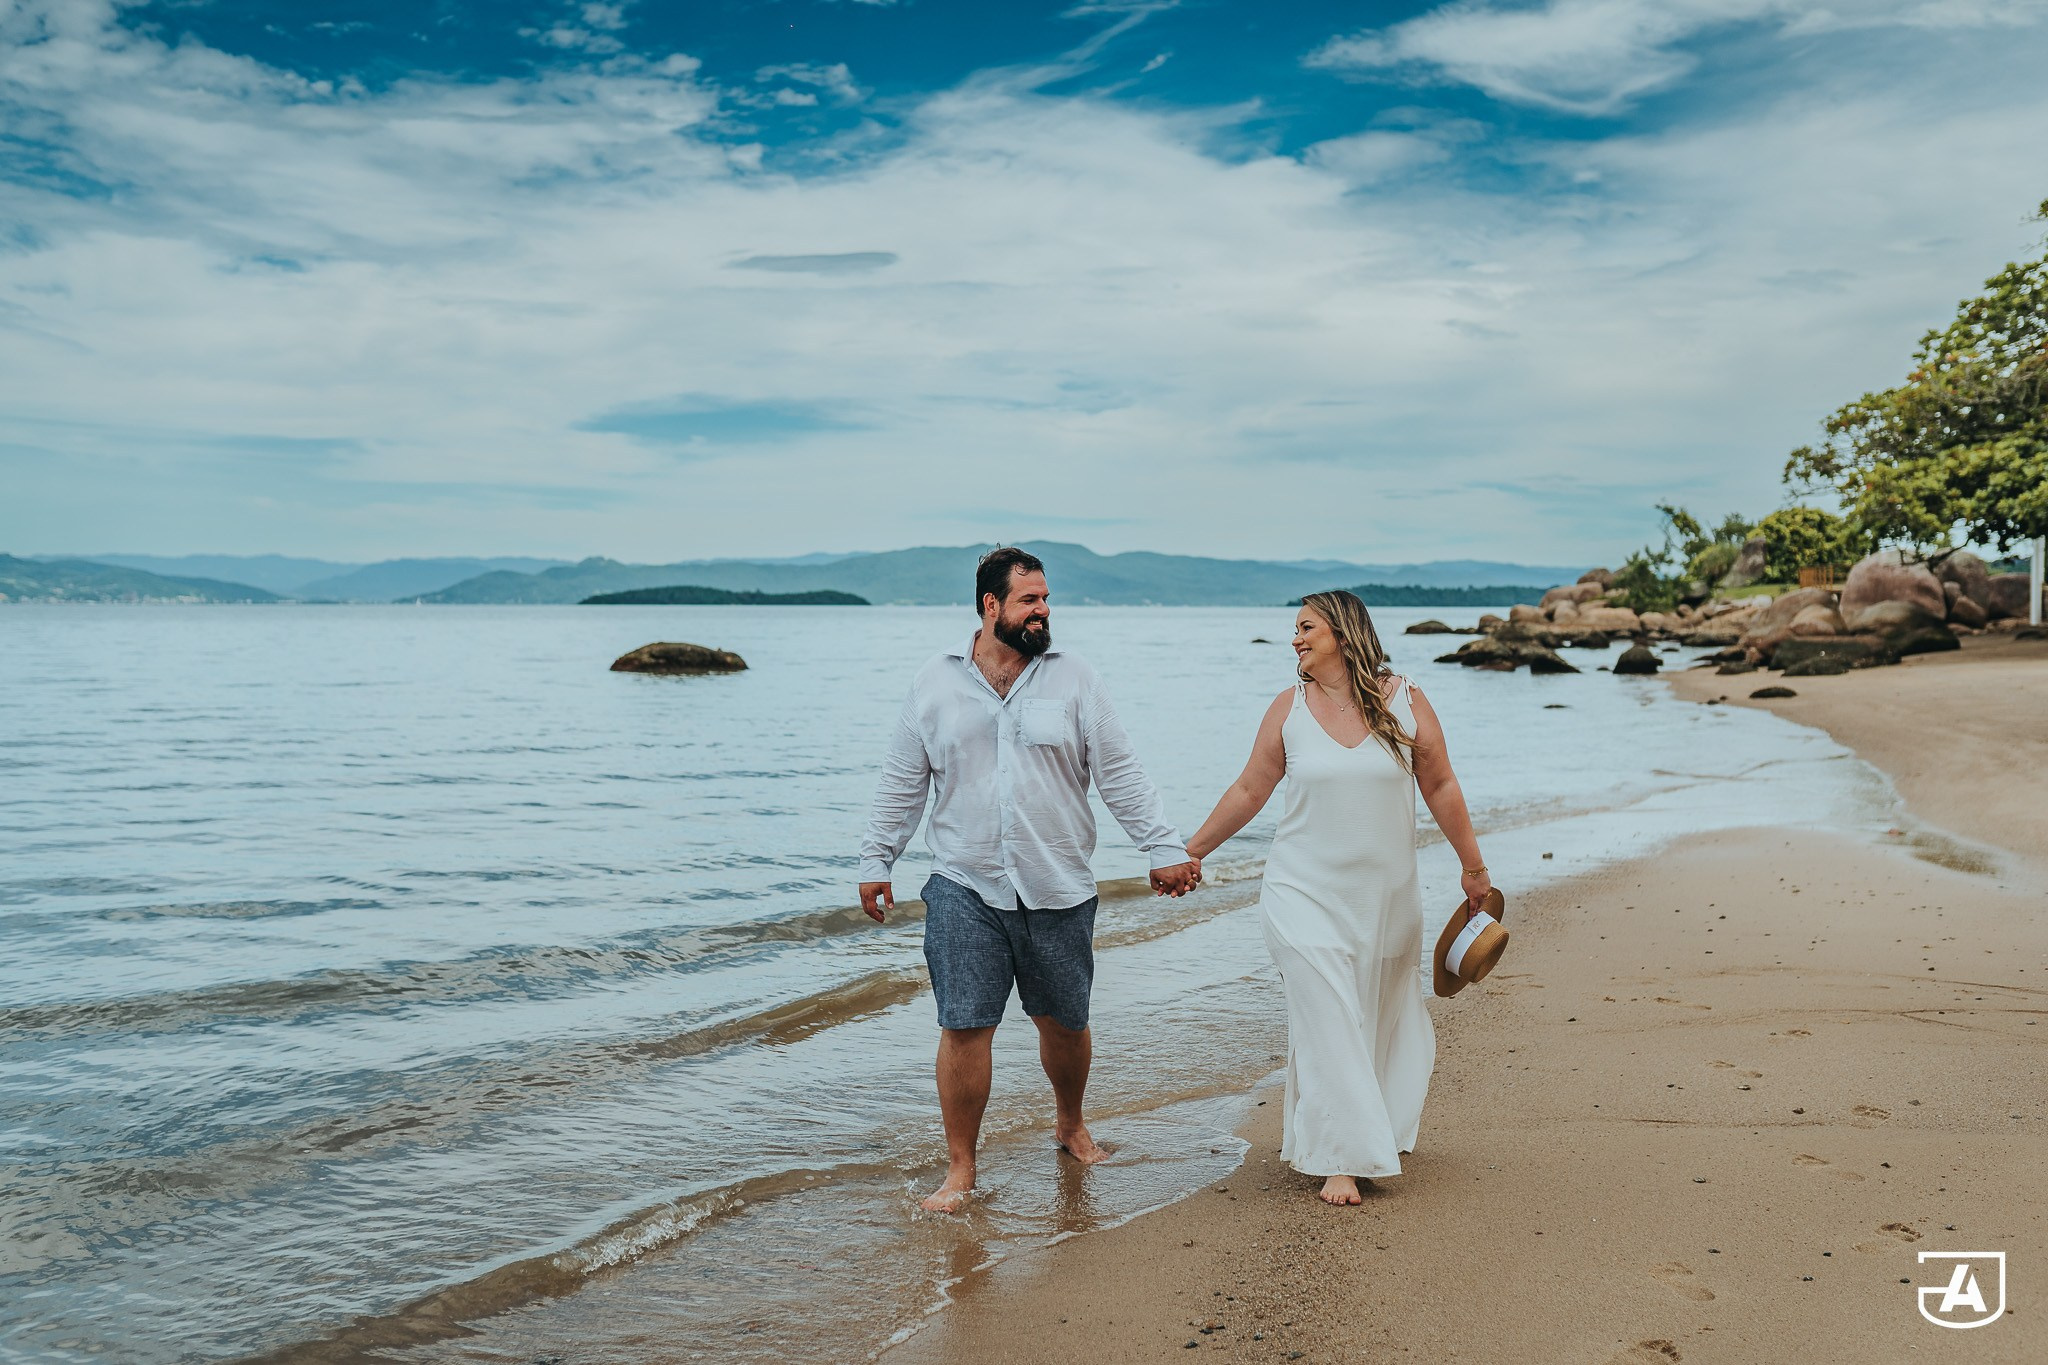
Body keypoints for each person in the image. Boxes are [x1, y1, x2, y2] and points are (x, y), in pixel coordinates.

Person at [859, 547, 1203, 1213]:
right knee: (964, 1024)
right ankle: (961, 1168)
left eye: (1046, 599)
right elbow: (902, 781)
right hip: (964, 883)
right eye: (1029, 600)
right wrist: (877, 859)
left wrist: (1162, 846)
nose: (1043, 611)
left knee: (1064, 1023)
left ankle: (1071, 1124)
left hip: (1058, 882)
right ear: (991, 606)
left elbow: (1121, 772)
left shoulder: (1074, 678)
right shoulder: (935, 682)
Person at [1184, 589, 1493, 1206]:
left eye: (1306, 628)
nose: (1296, 639)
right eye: (1295, 630)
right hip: (1301, 890)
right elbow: (1250, 789)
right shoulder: (1288, 709)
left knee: (1374, 1014)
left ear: (1344, 633)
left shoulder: (1404, 700)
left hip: (1386, 894)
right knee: (1327, 1012)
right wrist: (1192, 852)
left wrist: (1473, 866)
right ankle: (1344, 1162)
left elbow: (1441, 783)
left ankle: (1358, 1133)